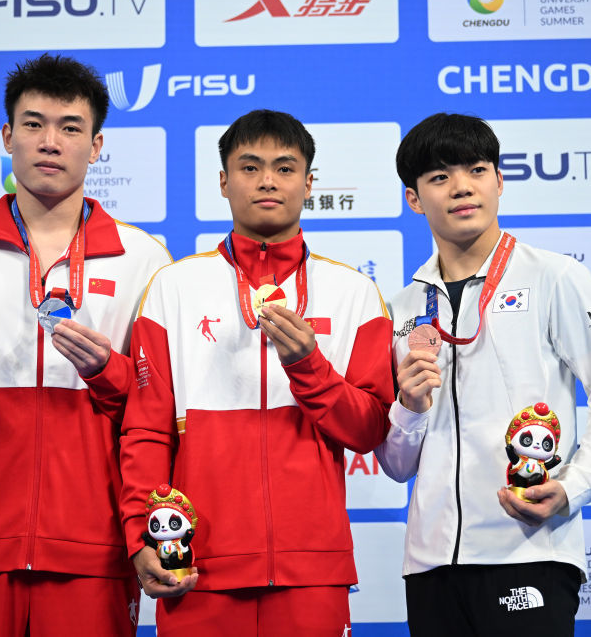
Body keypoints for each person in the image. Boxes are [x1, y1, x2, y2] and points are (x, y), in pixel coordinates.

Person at [0, 54, 171, 637]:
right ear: (6, 136)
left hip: (91, 545)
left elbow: (157, 409)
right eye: (34, 124)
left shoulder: (145, 260)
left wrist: (108, 372)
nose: (50, 141)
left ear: (96, 146)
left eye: (70, 128)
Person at [119, 109, 394, 636]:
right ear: (223, 181)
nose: (268, 180)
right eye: (250, 167)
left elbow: (369, 430)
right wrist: (141, 536)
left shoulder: (354, 293)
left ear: (309, 184)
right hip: (195, 566)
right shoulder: (174, 288)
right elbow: (146, 431)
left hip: (311, 571)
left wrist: (309, 367)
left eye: (285, 168)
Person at [375, 113, 591, 636]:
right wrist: (407, 408)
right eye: (439, 177)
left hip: (528, 547)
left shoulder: (554, 276)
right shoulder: (402, 307)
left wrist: (571, 487)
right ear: (414, 199)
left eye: (476, 170)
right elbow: (397, 465)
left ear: (499, 180)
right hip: (430, 563)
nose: (461, 187)